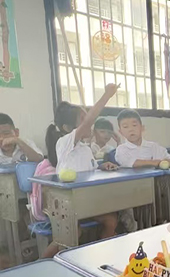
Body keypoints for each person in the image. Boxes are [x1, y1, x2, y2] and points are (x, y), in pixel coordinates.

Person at [44, 83, 122, 244]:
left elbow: (89, 169)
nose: (89, 123)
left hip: (85, 203)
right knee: (70, 234)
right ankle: (44, 258)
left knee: (111, 220)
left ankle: (103, 250)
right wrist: (107, 95)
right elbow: (90, 120)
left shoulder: (85, 148)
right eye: (83, 119)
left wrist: (101, 166)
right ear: (67, 128)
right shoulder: (65, 143)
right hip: (67, 206)